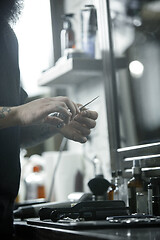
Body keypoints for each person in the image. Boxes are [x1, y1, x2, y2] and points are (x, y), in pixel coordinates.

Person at [0, 0, 98, 238]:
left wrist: (52, 121)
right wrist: (18, 113)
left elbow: (14, 130)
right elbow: (16, 115)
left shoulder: (6, 35)